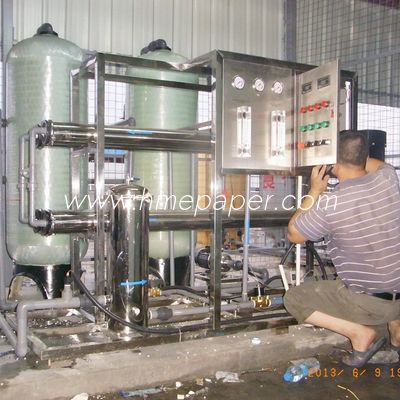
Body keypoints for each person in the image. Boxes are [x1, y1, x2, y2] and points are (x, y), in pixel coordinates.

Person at [284, 130, 400, 367]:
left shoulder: (330, 204)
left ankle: (359, 334)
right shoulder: (387, 178)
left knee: (294, 299)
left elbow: (294, 234)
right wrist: (352, 155)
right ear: (364, 155)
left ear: (332, 163)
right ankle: (397, 336)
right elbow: (376, 164)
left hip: (371, 304)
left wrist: (315, 190)